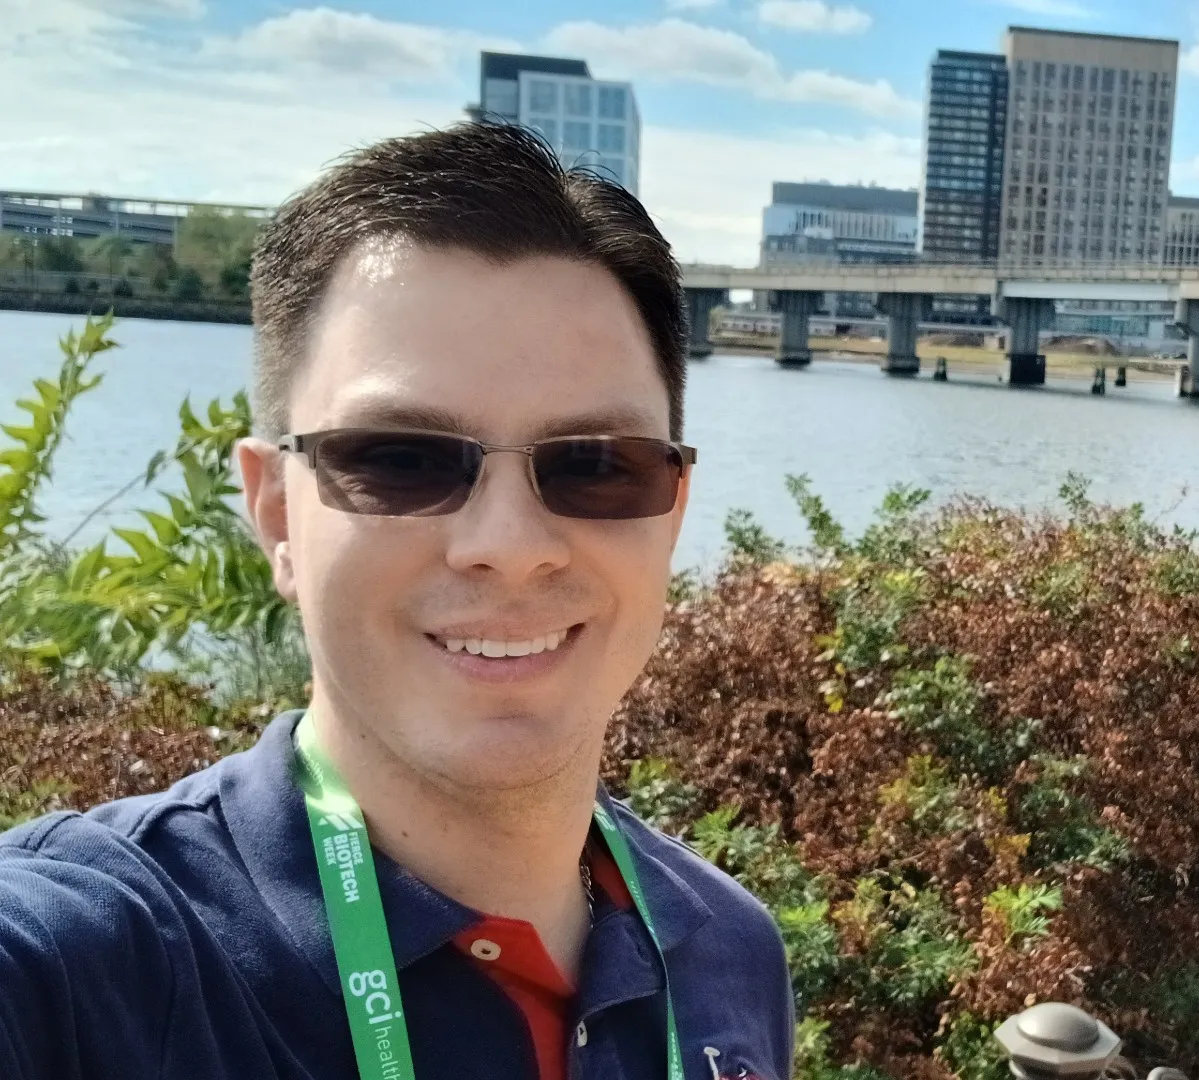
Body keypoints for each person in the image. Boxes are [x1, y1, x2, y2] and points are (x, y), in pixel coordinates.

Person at [0, 123, 794, 1080]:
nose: (509, 547)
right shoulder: (84, 971)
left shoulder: (728, 955)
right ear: (278, 513)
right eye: (403, 459)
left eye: (595, 466)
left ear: (670, 514)